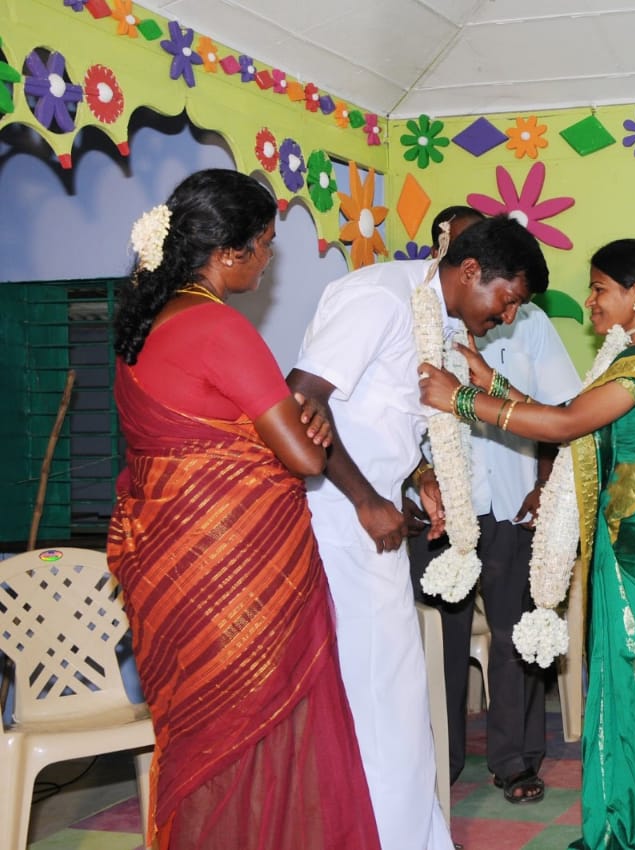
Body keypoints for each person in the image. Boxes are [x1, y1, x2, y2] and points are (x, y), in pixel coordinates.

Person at [418, 238, 635, 850]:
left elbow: (563, 426)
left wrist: (463, 399)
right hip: (623, 550)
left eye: (600, 290)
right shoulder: (633, 360)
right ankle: (628, 817)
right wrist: (495, 380)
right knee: (619, 684)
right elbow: (576, 422)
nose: (589, 303)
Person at [106, 169, 381, 850]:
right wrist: (304, 426)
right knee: (265, 731)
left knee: (201, 743)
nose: (267, 261)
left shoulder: (138, 334)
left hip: (172, 581)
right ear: (228, 253)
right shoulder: (221, 329)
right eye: (264, 245)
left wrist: (287, 426)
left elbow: (188, 453)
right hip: (242, 582)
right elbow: (304, 460)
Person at [287, 216, 549, 850]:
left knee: (399, 695)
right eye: (506, 298)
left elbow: (382, 417)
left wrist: (421, 475)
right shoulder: (379, 297)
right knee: (379, 698)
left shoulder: (439, 318)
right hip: (336, 522)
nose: (508, 317)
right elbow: (299, 399)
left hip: (373, 522)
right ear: (467, 273)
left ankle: (412, 835)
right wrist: (366, 498)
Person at [415, 205, 582, 800]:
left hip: (511, 502)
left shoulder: (528, 320)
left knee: (517, 635)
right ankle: (442, 762)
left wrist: (543, 485)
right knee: (441, 643)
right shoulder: (416, 317)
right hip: (436, 515)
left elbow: (562, 411)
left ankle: (516, 761)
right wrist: (421, 472)